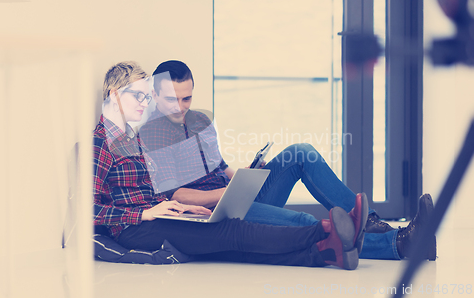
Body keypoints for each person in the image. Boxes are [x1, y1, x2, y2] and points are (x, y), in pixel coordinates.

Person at [139, 60, 437, 261]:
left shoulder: (199, 121)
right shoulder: (151, 135)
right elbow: (174, 196)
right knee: (303, 222)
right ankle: (400, 244)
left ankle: (371, 223)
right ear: (154, 94)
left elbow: (219, 168)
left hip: (235, 196)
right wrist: (228, 194)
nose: (180, 107)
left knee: (301, 152)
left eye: (186, 98)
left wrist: (242, 175)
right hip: (214, 214)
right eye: (171, 100)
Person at [92, 61, 369, 270]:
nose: (144, 104)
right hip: (140, 226)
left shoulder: (136, 137)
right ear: (115, 95)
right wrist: (147, 213)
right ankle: (331, 231)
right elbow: (90, 210)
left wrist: (242, 181)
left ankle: (328, 249)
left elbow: (158, 190)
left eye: (144, 97)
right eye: (137, 96)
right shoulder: (108, 141)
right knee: (233, 233)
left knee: (298, 155)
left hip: (176, 210)